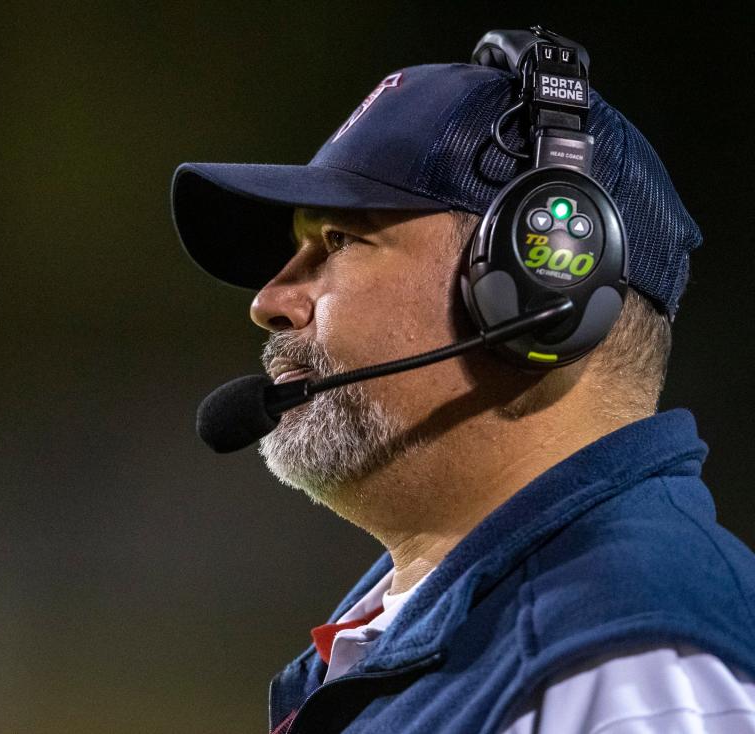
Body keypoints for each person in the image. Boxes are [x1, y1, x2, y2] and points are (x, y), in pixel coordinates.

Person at [170, 46, 755, 734]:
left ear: (545, 291)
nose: (270, 299)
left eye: (338, 239)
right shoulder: (475, 633)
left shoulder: (628, 662)